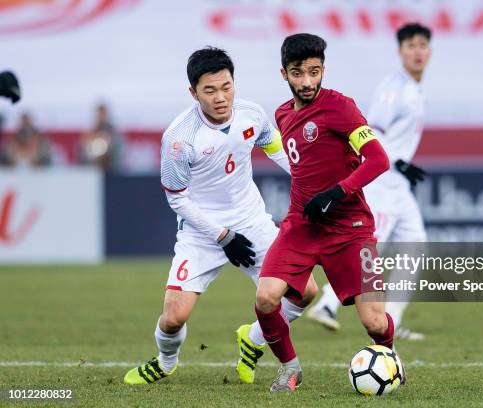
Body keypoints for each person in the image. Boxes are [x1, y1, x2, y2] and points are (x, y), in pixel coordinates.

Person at [123, 47, 317, 385]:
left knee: (306, 291)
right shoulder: (179, 140)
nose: (220, 97)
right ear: (193, 92)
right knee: (173, 317)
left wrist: (310, 182)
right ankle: (166, 362)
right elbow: (178, 201)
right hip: (201, 232)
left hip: (252, 221)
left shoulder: (251, 115)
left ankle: (253, 339)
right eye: (210, 90)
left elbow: (279, 151)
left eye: (226, 86)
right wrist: (221, 236)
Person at [246, 33, 396, 392]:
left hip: (352, 227)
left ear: (323, 69)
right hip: (301, 225)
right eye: (298, 73)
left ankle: (390, 359)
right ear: (284, 74)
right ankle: (289, 368)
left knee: (375, 323)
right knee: (266, 298)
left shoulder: (341, 107)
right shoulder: (282, 114)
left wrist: (337, 191)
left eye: (314, 72)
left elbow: (378, 159)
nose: (308, 81)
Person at [306, 23, 431, 340]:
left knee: (415, 245)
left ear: (429, 50)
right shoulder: (394, 89)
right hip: (383, 181)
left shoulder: (415, 88)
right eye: (410, 46)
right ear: (400, 51)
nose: (417, 51)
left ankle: (393, 318)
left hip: (399, 185)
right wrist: (400, 161)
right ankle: (326, 304)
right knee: (369, 249)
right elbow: (373, 130)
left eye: (422, 45)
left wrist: (403, 164)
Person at [78, 103, 124, 172]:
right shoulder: (91, 132)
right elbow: (84, 150)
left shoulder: (113, 132)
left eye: (103, 113)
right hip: (94, 169)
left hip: (112, 168)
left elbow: (119, 150)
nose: (101, 116)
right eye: (99, 113)